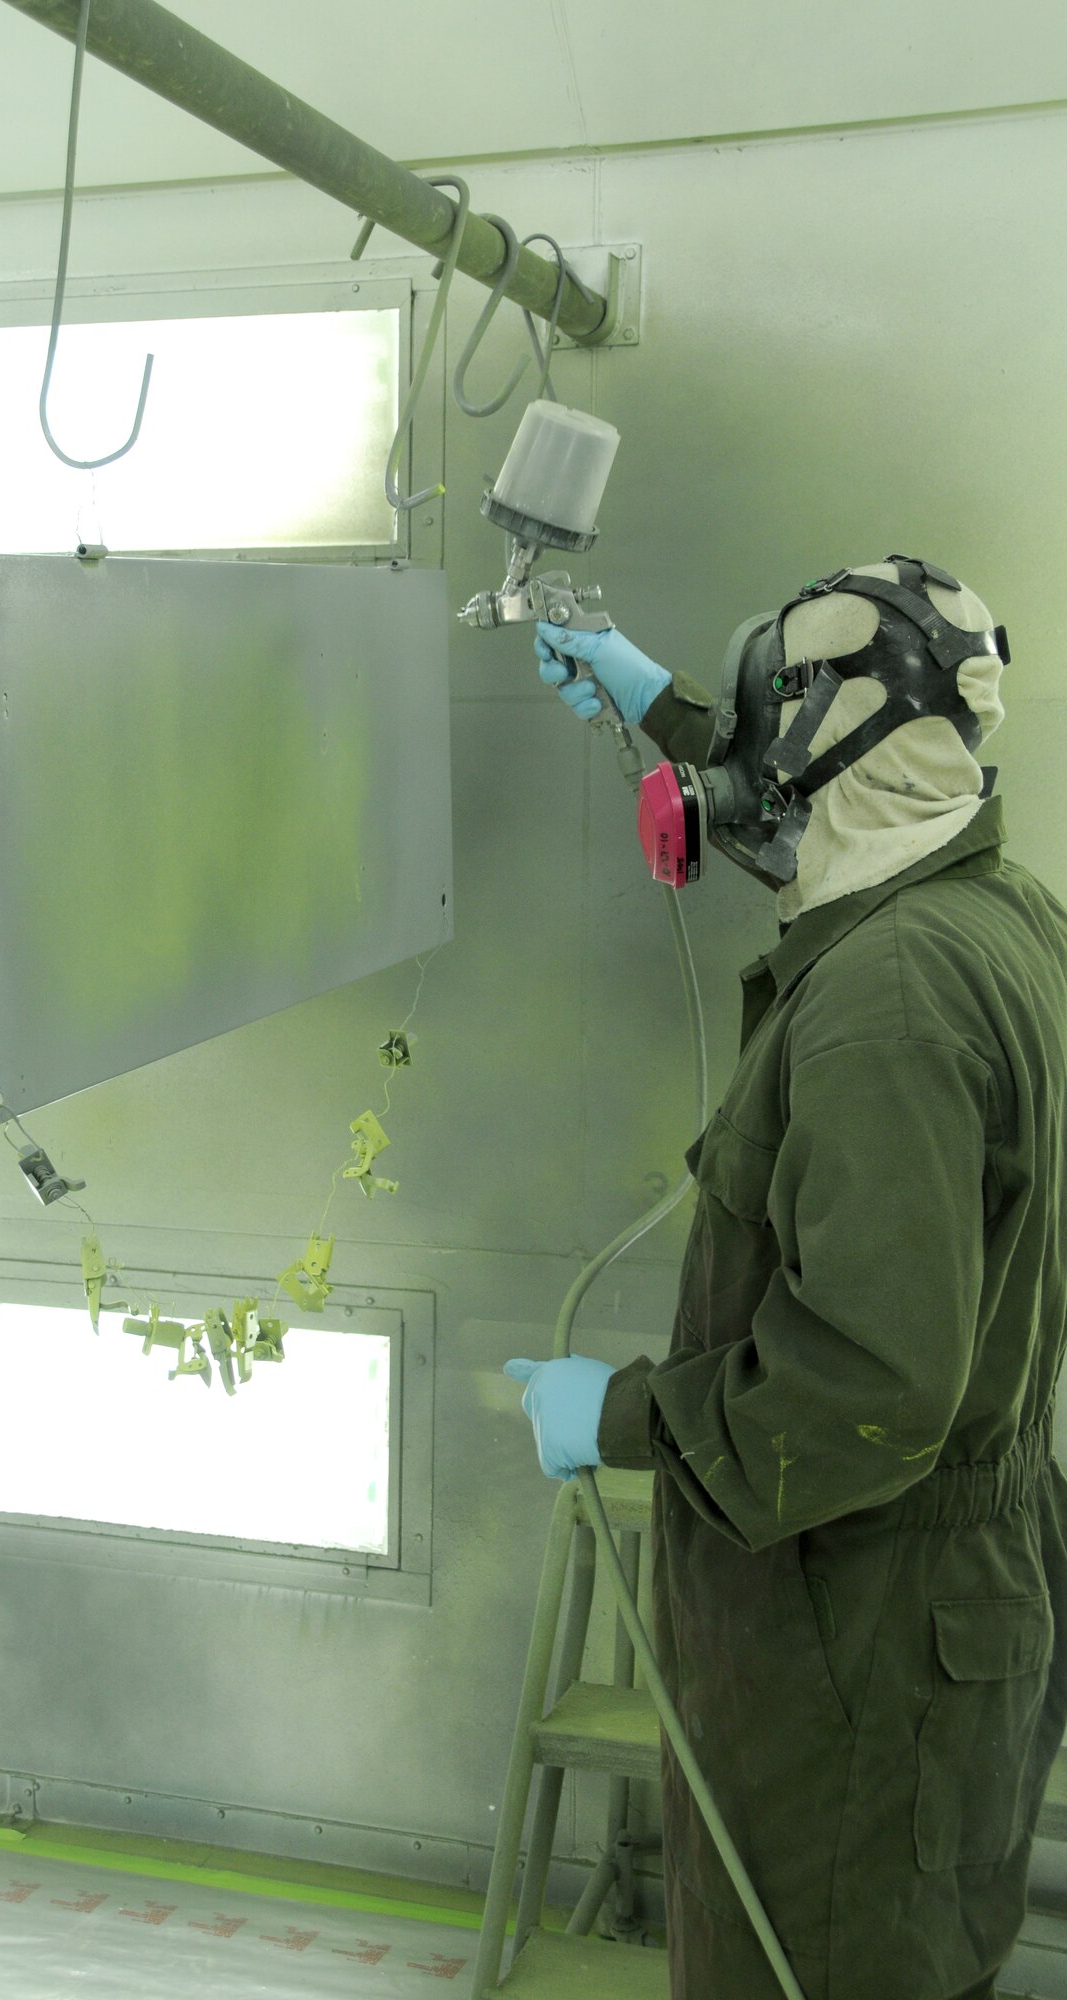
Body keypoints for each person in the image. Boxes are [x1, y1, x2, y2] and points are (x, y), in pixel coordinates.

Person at [505, 558, 1067, 2000]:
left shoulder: (886, 1001)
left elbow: (873, 1387)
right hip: (944, 1615)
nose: (749, 752)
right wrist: (659, 707)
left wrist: (619, 1416)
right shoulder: (999, 915)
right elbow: (819, 832)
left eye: (774, 713)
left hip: (853, 1641)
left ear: (834, 743)